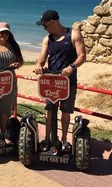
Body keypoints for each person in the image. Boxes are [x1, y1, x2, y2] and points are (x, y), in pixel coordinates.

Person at [34, 10, 86, 152]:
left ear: (52, 22)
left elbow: (82, 56)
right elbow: (42, 58)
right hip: (51, 80)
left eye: (45, 25)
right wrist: (39, 65)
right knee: (49, 111)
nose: (44, 28)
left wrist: (71, 67)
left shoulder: (74, 34)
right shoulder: (47, 39)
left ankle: (63, 140)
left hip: (68, 81)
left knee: (65, 111)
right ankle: (47, 139)